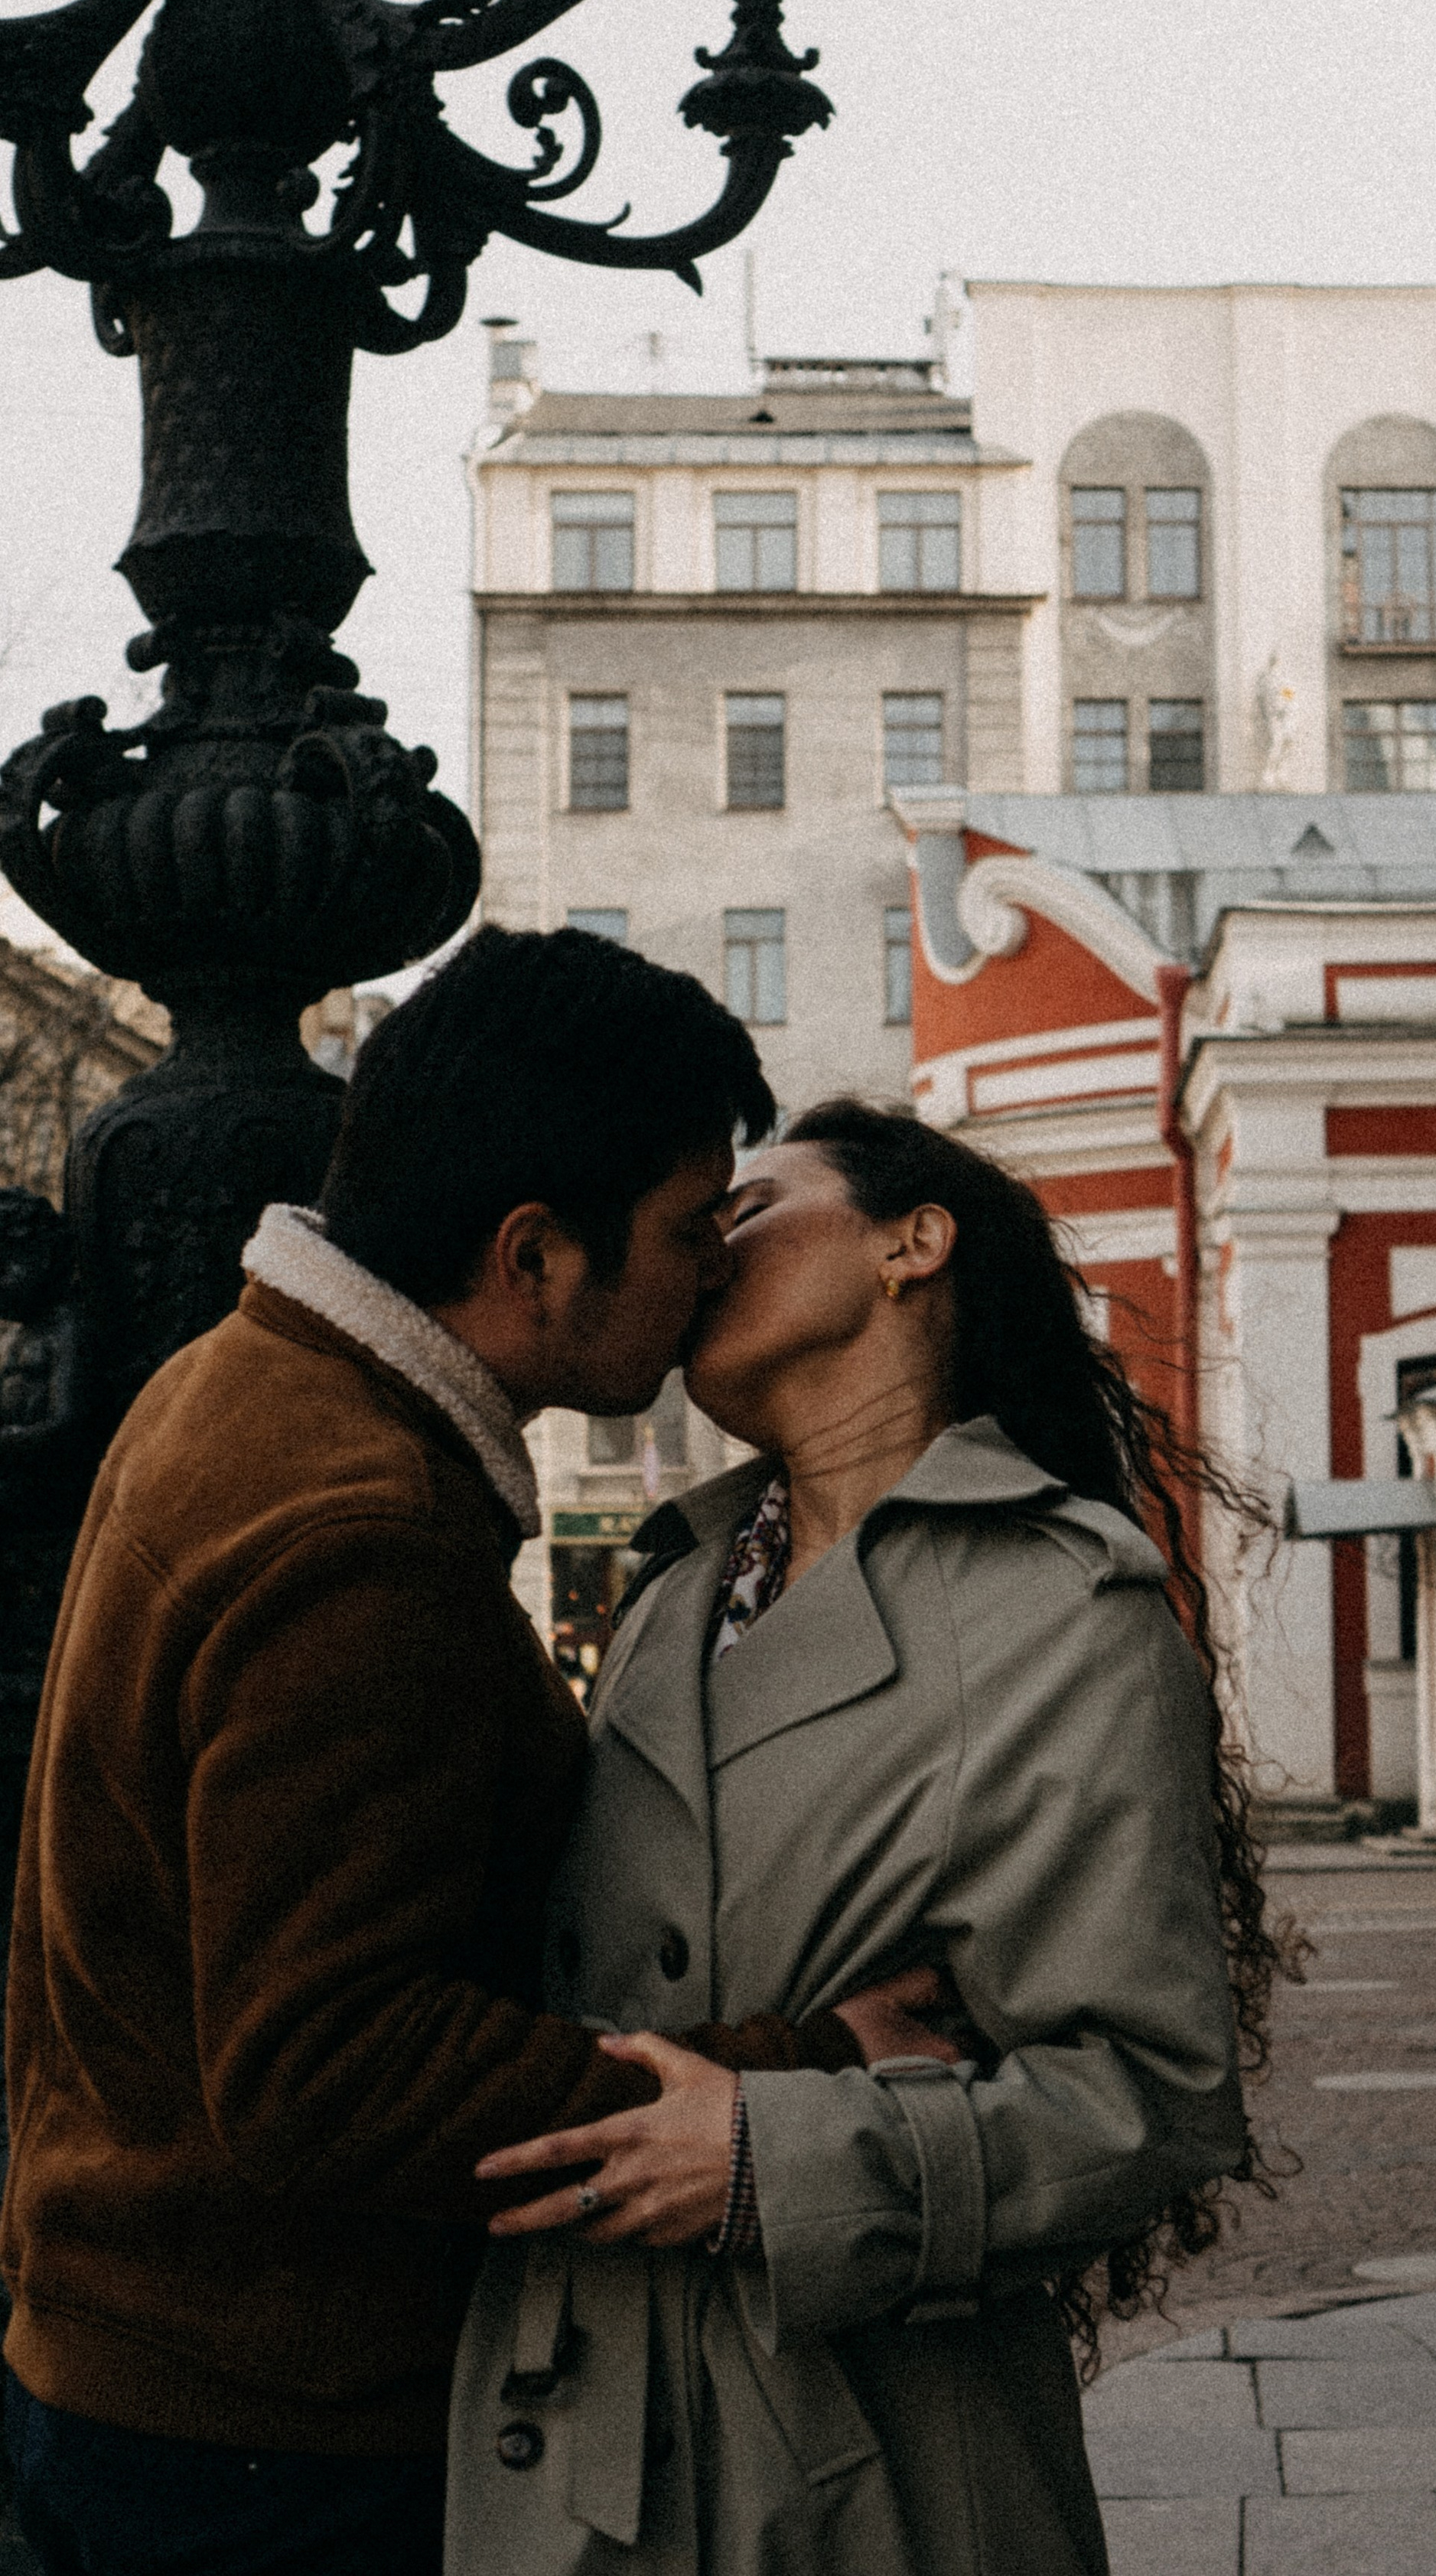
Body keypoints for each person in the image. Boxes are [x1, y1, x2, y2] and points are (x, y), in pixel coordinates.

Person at [2, 933, 942, 2576]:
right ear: (534, 1256)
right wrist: (796, 2069)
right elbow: (331, 2072)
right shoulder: (362, 1530)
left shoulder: (237, 1381)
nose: (706, 1276)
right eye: (679, 1231)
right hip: (269, 2444)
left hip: (148, 2376)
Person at [448, 1099, 1280, 2576]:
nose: (707, 1248)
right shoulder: (674, 1589)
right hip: (572, 2425)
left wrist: (776, 2157)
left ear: (914, 1242)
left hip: (860, 2463)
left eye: (752, 1208)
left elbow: (1152, 2095)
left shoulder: (1062, 1614)